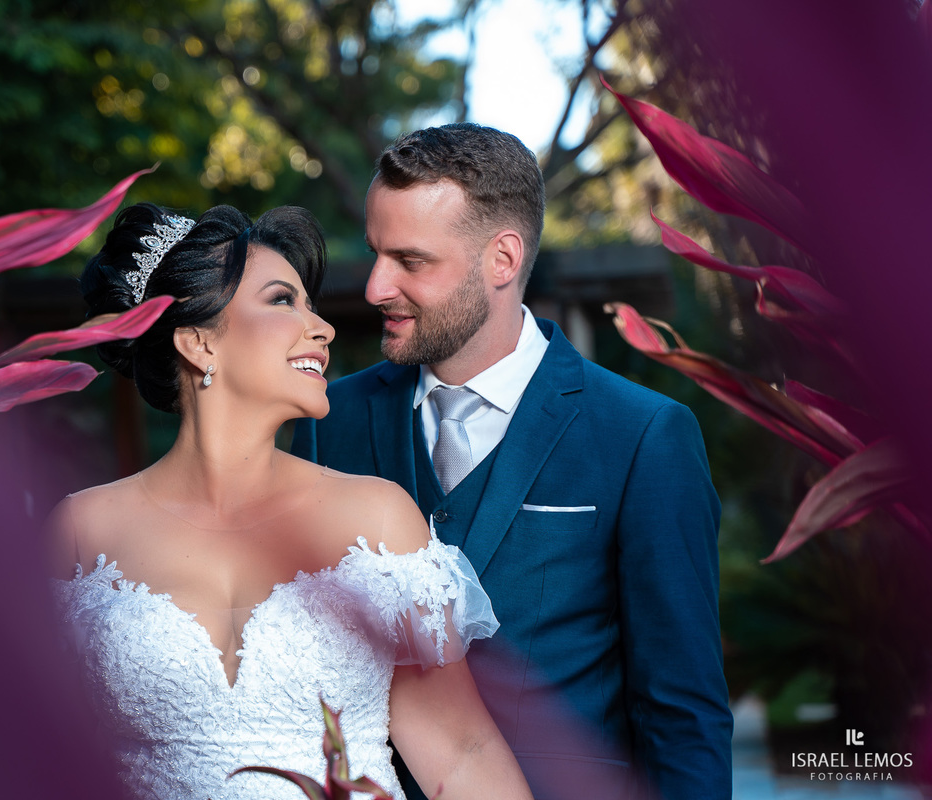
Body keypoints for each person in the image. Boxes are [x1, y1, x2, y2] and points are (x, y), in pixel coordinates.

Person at [291, 123, 733, 800]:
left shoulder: (644, 435)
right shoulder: (331, 422)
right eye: (378, 253)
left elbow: (683, 714)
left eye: (411, 260)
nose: (377, 285)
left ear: (502, 259)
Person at [47, 201, 536, 800]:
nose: (322, 327)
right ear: (198, 343)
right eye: (283, 300)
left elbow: (461, 756)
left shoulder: (376, 521)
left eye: (310, 304)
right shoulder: (81, 530)